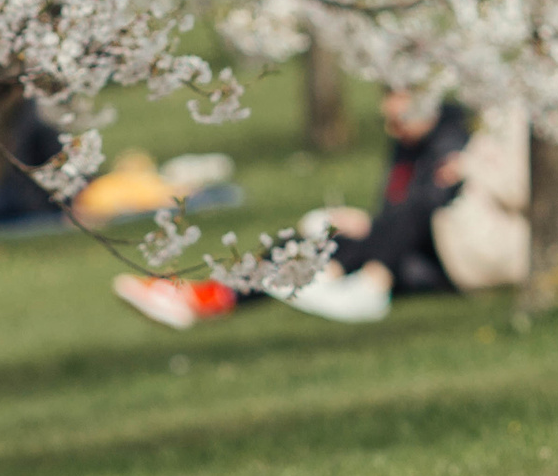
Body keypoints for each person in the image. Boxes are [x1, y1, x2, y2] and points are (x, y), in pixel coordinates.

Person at [115, 90, 473, 328]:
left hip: (431, 261)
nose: (390, 123)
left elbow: (422, 214)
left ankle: (212, 296)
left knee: (327, 245)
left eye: (397, 111)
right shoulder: (410, 143)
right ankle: (208, 294)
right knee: (309, 240)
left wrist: (373, 237)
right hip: (391, 244)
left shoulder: (451, 144)